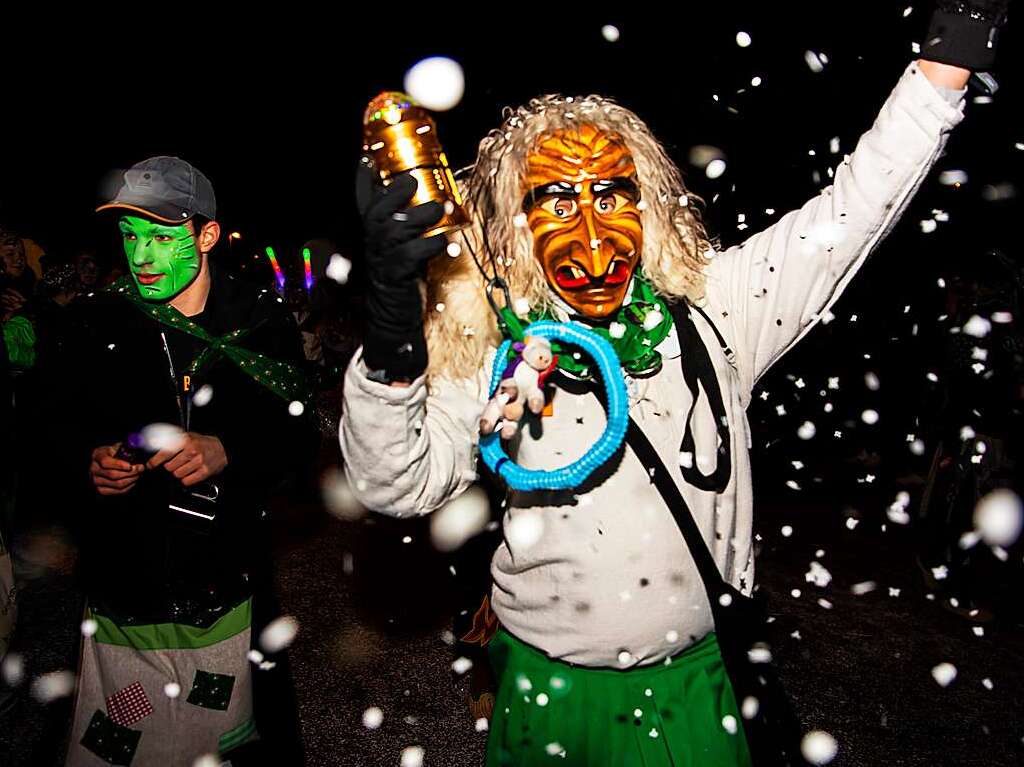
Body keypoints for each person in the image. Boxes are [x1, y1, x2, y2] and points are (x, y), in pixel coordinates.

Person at [340, 3, 1007, 763]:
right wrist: (394, 322)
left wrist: (943, 66)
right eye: (557, 200)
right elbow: (397, 485)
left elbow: (848, 216)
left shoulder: (721, 305)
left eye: (611, 193)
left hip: (695, 688)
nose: (590, 236)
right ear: (518, 222)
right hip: (547, 694)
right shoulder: (502, 341)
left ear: (648, 203)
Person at [45, 156, 312, 765]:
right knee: (119, 745)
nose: (142, 256)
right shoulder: (94, 321)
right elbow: (49, 426)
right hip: (123, 587)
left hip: (225, 583)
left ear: (206, 236)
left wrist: (231, 450)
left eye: (162, 238)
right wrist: (87, 461)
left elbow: (299, 437)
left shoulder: (260, 323)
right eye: (130, 236)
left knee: (215, 742)